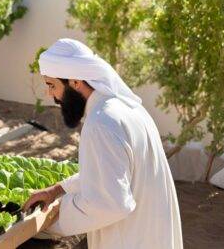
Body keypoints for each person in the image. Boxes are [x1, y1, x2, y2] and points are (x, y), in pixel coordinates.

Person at [23, 38, 183, 249]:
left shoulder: (101, 123)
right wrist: (57, 189)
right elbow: (110, 173)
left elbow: (109, 204)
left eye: (52, 85)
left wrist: (53, 216)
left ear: (75, 82)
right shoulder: (126, 110)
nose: (50, 94)